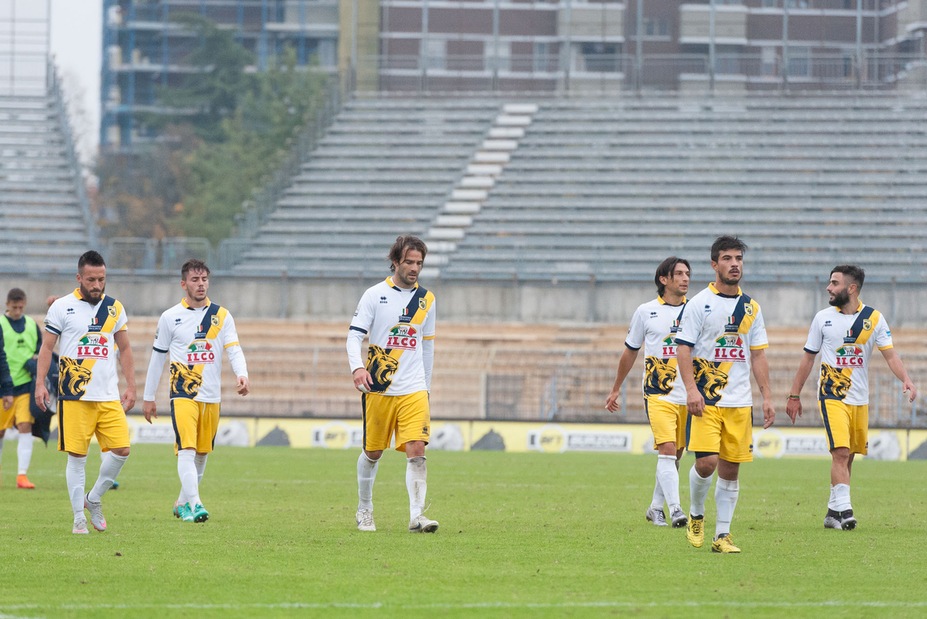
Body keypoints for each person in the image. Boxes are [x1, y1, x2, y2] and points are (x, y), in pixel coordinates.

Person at [785, 265, 916, 531]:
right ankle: (846, 511)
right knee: (841, 452)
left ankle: (832, 513)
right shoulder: (822, 318)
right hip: (832, 394)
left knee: (849, 456)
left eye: (834, 283)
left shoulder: (874, 319)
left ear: (851, 288)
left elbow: (890, 355)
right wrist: (794, 394)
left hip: (859, 398)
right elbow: (808, 358)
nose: (828, 288)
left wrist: (906, 379)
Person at [675, 235, 775, 554]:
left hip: (739, 402)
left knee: (731, 469)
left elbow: (758, 355)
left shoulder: (751, 307)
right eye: (728, 258)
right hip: (706, 400)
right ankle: (696, 513)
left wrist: (767, 397)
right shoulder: (699, 303)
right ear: (714, 264)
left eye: (738, 259)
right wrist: (691, 389)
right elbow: (683, 349)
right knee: (707, 464)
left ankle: (722, 536)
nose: (734, 264)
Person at [35, 251, 136, 534]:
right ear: (79, 278)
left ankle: (93, 498)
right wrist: (40, 383)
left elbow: (125, 348)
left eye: (101, 279)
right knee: (77, 458)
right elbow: (46, 348)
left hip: (108, 395)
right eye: (91, 279)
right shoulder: (61, 307)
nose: (97, 285)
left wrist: (131, 385)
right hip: (74, 395)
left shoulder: (114, 308)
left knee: (122, 450)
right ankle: (78, 517)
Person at [142, 259, 250, 524]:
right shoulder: (170, 317)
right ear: (183, 284)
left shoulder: (221, 315)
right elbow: (157, 358)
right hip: (183, 394)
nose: (200, 284)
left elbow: (233, 348)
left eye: (204, 279)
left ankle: (182, 502)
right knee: (187, 449)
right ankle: (197, 503)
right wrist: (148, 397)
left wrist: (242, 374)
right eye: (195, 280)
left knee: (202, 454)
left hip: (211, 395)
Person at [346, 235, 438, 533]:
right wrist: (357, 368)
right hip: (379, 388)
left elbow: (426, 347)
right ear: (396, 261)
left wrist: (426, 386)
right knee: (373, 452)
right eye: (409, 262)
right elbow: (354, 336)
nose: (415, 268)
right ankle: (364, 509)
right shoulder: (374, 295)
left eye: (419, 263)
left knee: (417, 448)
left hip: (413, 389)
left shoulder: (427, 300)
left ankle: (416, 516)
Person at [605, 257, 691, 529]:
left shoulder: (697, 310)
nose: (685, 278)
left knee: (675, 454)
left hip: (688, 393)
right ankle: (676, 509)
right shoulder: (645, 311)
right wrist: (616, 388)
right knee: (666, 449)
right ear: (663, 280)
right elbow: (630, 351)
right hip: (658, 391)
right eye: (678, 274)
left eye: (688, 273)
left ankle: (655, 507)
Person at [0, 288, 42, 488]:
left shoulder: (33, 326)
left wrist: (35, 363)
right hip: (3, 387)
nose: (17, 311)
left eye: (21, 307)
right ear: (7, 305)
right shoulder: (0, 324)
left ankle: (22, 475)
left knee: (26, 426)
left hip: (26, 386)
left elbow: (40, 352)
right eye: (14, 307)